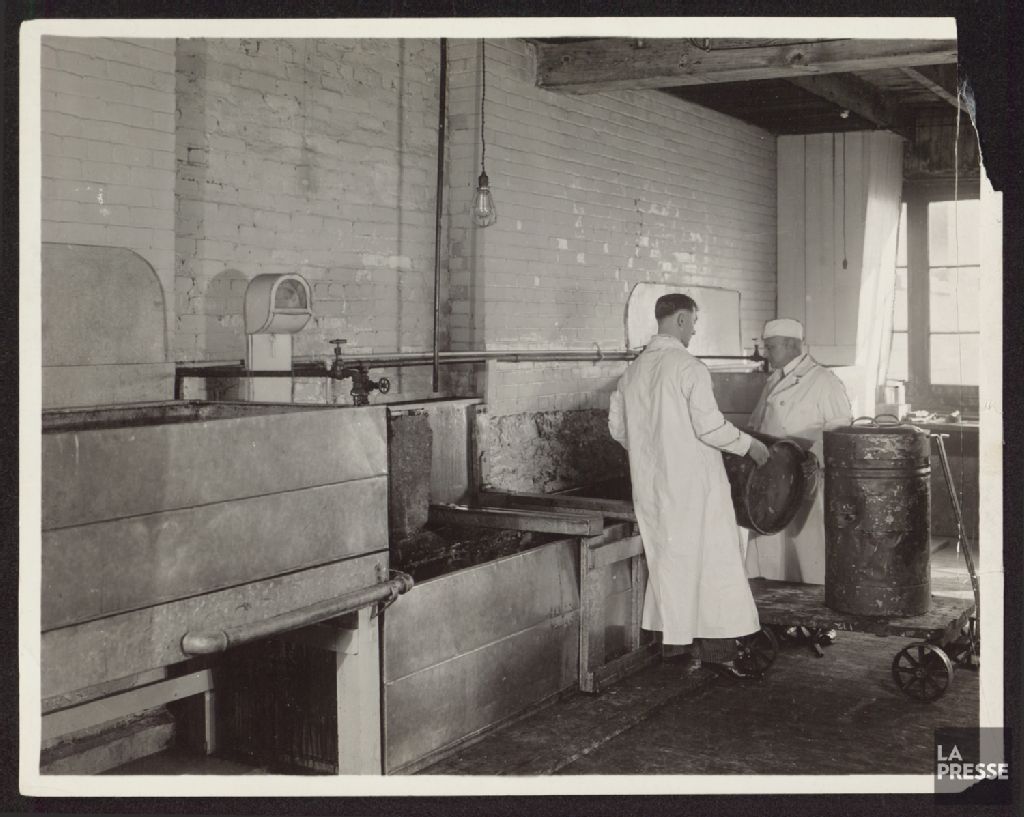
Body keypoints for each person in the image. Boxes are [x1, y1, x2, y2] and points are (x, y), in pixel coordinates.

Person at [608, 293, 770, 680]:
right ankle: (720, 654)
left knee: (670, 564)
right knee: (714, 566)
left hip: (653, 487)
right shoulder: (688, 366)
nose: (694, 330)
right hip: (695, 489)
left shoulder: (632, 372)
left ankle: (677, 647)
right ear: (681, 319)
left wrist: (654, 448)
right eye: (694, 322)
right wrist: (750, 446)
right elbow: (710, 427)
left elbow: (618, 429)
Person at [745, 318, 853, 585]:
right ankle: (770, 601)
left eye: (771, 347)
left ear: (792, 345)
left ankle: (811, 600)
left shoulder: (823, 380)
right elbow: (756, 424)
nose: (766, 353)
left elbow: (841, 429)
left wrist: (815, 455)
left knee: (805, 548)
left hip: (804, 474)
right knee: (770, 548)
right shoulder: (774, 379)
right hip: (771, 477)